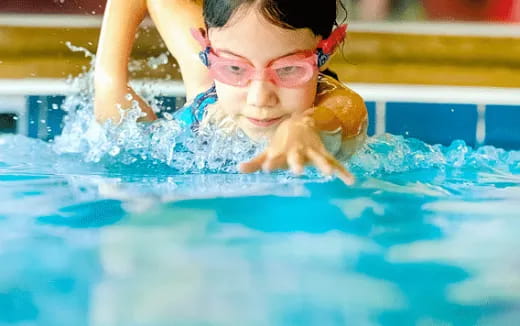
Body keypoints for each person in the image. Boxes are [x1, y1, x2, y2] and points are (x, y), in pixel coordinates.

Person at [94, 0, 368, 185]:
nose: (259, 98)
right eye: (235, 68)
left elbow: (342, 116)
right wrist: (108, 81)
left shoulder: (338, 102)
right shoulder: (204, 73)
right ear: (206, 48)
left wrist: (303, 128)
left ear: (328, 50)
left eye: (288, 69)